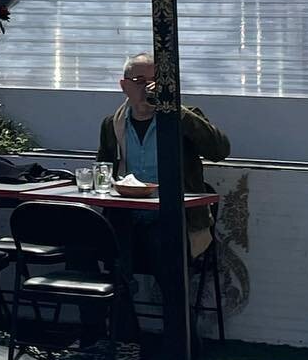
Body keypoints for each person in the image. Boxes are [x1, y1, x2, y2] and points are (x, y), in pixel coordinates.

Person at [98, 52, 230, 262]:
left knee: (164, 243)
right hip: (127, 213)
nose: (149, 88)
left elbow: (220, 151)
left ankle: (169, 295)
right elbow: (103, 171)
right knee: (82, 236)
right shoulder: (112, 125)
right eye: (140, 81)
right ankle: (117, 292)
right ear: (124, 86)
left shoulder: (183, 118)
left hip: (173, 218)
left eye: (155, 82)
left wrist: (175, 108)